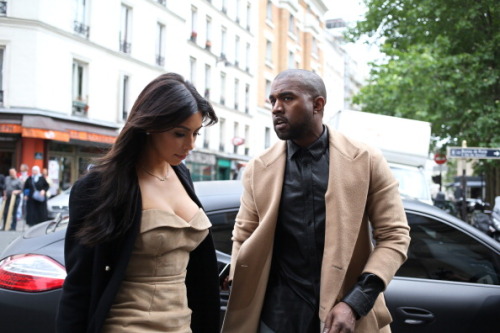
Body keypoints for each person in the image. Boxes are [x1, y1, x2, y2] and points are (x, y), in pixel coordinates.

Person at [222, 69, 411, 333]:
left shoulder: (366, 160)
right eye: (273, 100)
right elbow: (244, 232)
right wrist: (236, 272)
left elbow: (395, 236)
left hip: (345, 316)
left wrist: (356, 302)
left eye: (287, 98)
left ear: (317, 105)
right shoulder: (258, 168)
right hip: (276, 317)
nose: (276, 108)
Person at [56, 73, 220, 333]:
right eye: (180, 133)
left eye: (195, 134)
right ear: (150, 125)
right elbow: (80, 284)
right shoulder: (99, 185)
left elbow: (199, 270)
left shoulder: (181, 174)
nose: (190, 145)